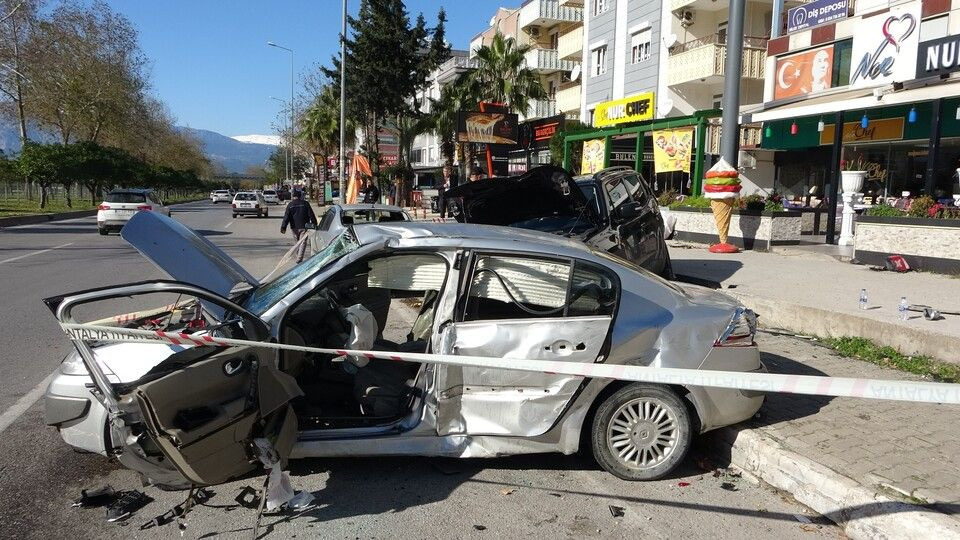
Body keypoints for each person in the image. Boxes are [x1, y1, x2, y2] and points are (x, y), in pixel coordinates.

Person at [280, 189, 318, 264]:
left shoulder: (290, 205)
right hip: (304, 226)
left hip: (294, 227)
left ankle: (299, 258)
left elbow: (286, 217)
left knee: (297, 243)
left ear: (293, 196)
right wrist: (314, 223)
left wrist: (283, 227)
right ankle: (299, 258)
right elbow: (311, 214)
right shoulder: (305, 203)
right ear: (300, 196)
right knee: (303, 242)